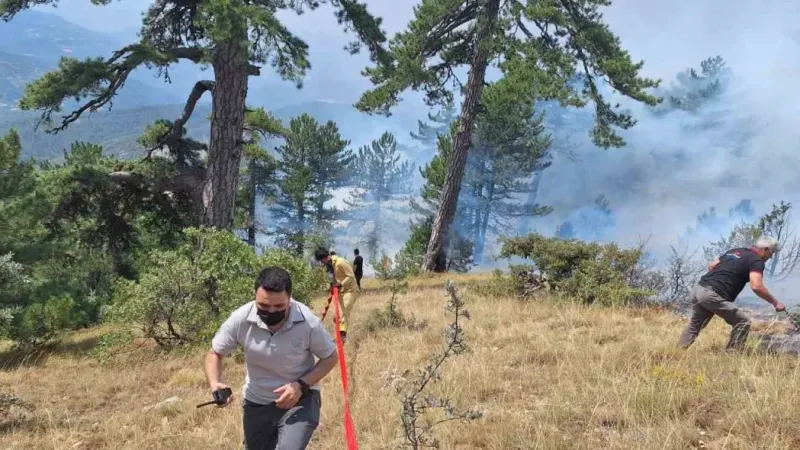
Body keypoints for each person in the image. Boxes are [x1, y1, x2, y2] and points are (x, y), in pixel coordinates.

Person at [204, 266, 338, 450]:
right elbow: (215, 353)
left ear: (290, 299)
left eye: (279, 306)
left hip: (301, 399)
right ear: (255, 296)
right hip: (257, 401)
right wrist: (215, 383)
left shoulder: (308, 322)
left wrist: (301, 385)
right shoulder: (241, 318)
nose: (272, 311)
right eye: (264, 306)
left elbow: (330, 357)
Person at [677, 236, 786, 351]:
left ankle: (678, 352)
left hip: (699, 288)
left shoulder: (736, 251)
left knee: (695, 325)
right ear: (765, 249)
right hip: (711, 294)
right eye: (772, 252)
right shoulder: (757, 261)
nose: (771, 256)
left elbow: (712, 265)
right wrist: (775, 303)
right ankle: (732, 354)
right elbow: (756, 286)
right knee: (742, 322)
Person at [315, 248, 358, 342]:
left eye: (322, 260)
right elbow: (336, 278)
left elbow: (350, 276)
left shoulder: (341, 262)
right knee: (336, 317)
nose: (322, 263)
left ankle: (342, 338)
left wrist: (340, 284)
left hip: (351, 291)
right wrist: (333, 285)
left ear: (326, 257)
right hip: (341, 291)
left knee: (343, 313)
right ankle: (339, 335)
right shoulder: (330, 265)